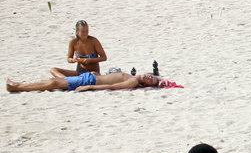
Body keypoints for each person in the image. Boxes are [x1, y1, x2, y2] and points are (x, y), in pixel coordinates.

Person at [7, 71, 162, 93]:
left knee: (53, 83)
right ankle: (18, 86)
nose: (149, 77)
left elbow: (112, 85)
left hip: (89, 80)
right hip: (91, 76)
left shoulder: (133, 82)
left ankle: (18, 87)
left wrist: (90, 86)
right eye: (151, 76)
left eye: (151, 80)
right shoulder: (133, 76)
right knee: (53, 81)